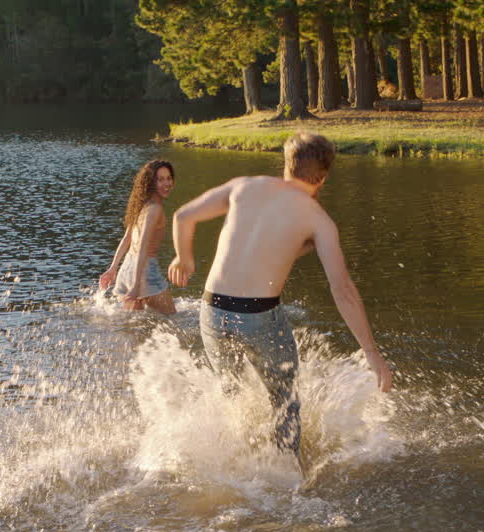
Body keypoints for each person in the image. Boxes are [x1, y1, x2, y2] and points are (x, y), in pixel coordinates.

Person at [167, 132, 392, 456]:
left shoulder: (244, 185)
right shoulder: (318, 220)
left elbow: (183, 216)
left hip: (212, 310)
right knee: (285, 403)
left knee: (230, 395)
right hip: (260, 317)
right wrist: (371, 352)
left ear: (287, 164)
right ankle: (285, 478)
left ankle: (229, 464)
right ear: (323, 176)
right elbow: (342, 290)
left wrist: (183, 257)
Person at [98, 159, 177, 314]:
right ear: (150, 182)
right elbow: (142, 245)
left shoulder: (142, 205)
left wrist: (113, 268)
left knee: (134, 328)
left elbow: (127, 239)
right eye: (160, 180)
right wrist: (136, 285)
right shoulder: (155, 209)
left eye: (168, 178)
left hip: (127, 269)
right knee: (173, 320)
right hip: (144, 273)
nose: (167, 184)